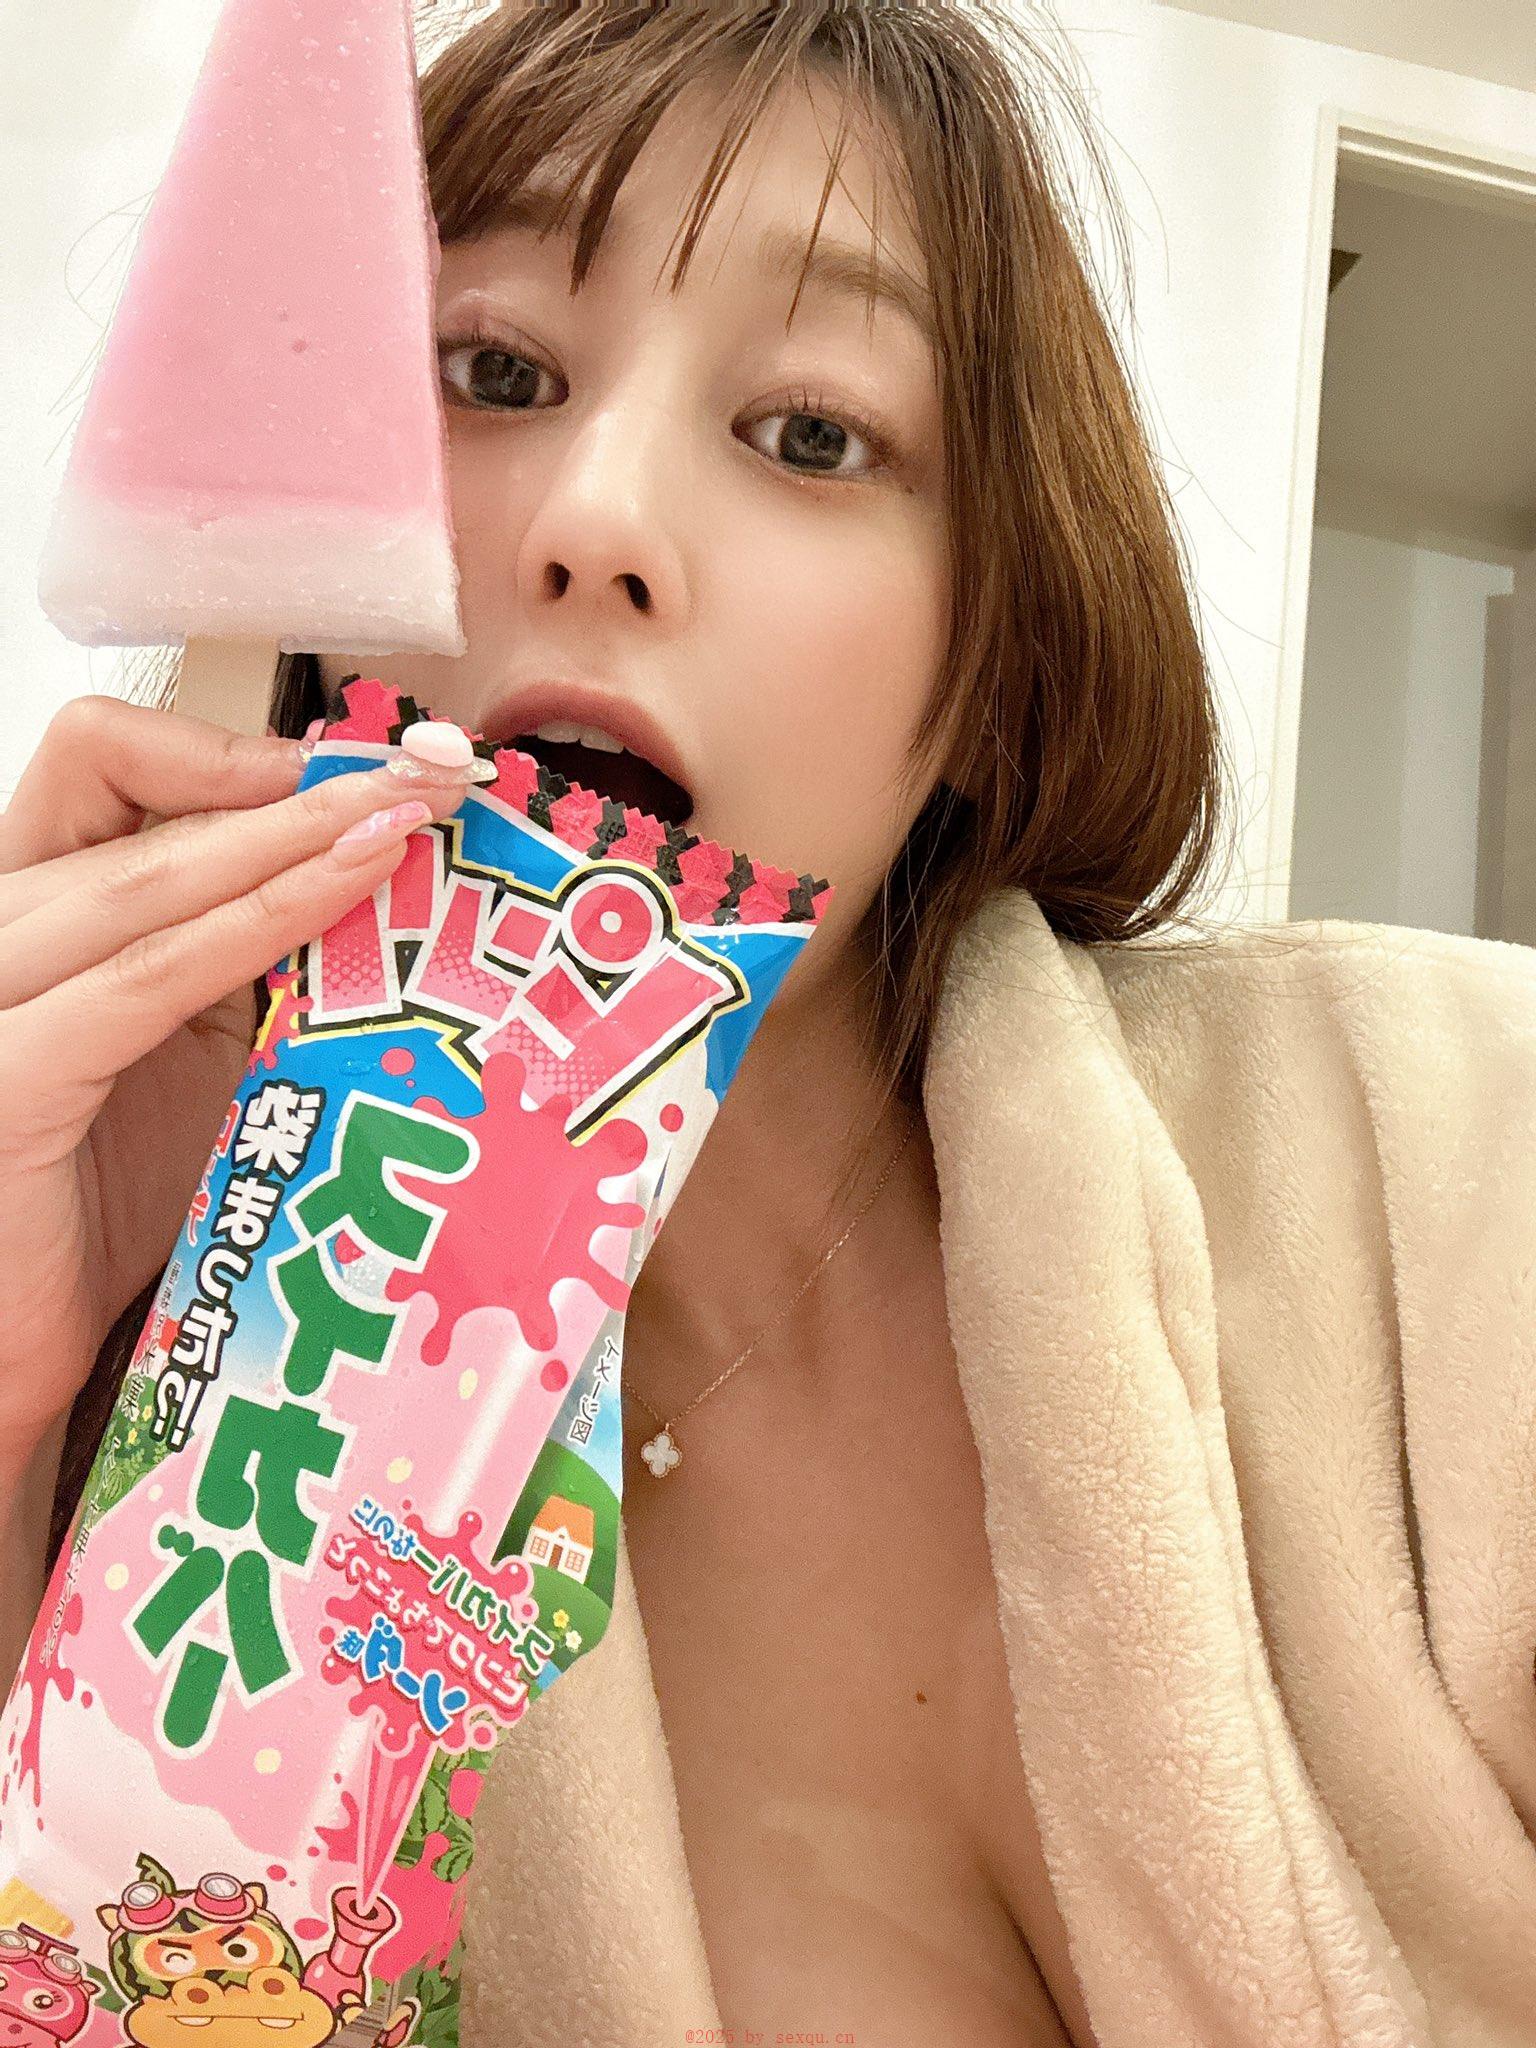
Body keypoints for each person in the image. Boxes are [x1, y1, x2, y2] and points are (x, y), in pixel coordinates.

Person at [6, 5, 1536, 2044]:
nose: (598, 522)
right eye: (494, 371)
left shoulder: (1459, 1161)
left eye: (813, 434)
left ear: (990, 654)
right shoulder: (168, 1459)